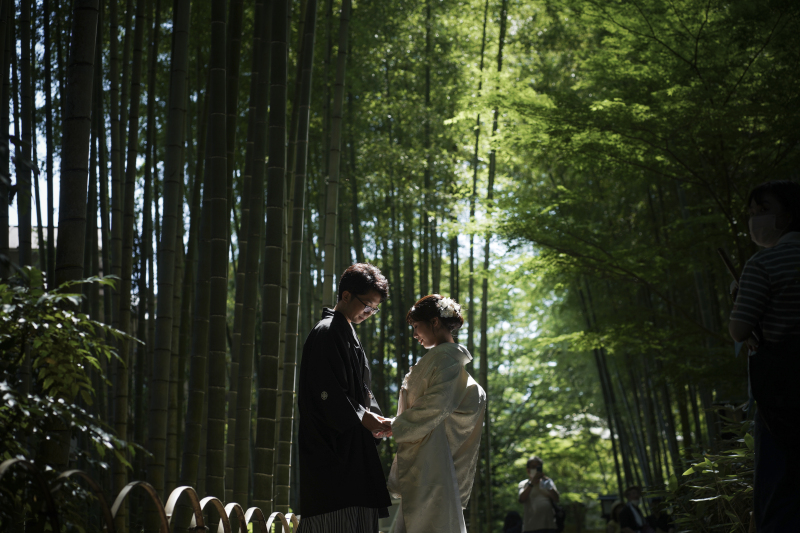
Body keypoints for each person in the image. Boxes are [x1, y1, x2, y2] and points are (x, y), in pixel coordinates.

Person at [296, 263, 393, 533]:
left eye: (374, 309)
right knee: (336, 519)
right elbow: (326, 393)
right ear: (346, 295)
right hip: (332, 452)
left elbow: (361, 392)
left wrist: (374, 419)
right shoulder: (327, 332)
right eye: (366, 305)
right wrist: (363, 417)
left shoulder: (347, 333)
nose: (369, 313)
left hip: (352, 450)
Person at [728, 180, 800, 533]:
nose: (755, 220)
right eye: (752, 214)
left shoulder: (762, 264)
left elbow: (740, 330)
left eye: (764, 211)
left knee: (779, 489)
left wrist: (743, 298)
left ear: (790, 214)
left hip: (782, 391)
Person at [387, 294, 486, 533]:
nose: (414, 335)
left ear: (434, 322)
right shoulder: (444, 359)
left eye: (416, 327)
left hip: (433, 461)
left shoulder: (445, 359)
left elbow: (436, 405)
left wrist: (395, 425)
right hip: (431, 459)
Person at [518, 456, 560, 533]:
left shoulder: (547, 482)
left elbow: (556, 499)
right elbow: (522, 499)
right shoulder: (524, 484)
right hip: (530, 527)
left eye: (538, 467)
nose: (536, 469)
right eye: (533, 467)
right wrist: (532, 483)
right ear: (528, 470)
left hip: (549, 526)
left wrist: (548, 484)